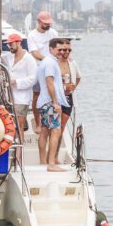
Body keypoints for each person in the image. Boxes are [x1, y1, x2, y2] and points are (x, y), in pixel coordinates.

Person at [36, 38, 69, 171]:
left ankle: (43, 161)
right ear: (51, 49)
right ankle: (51, 164)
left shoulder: (48, 61)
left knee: (44, 131)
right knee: (55, 131)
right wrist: (55, 103)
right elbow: (49, 82)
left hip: (44, 102)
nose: (61, 52)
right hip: (49, 102)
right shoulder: (50, 63)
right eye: (59, 49)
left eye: (63, 49)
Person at [1, 33, 37, 141]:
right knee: (9, 127)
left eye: (11, 44)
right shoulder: (8, 57)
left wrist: (15, 82)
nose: (9, 47)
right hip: (9, 98)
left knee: (18, 127)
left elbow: (33, 79)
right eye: (8, 45)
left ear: (18, 43)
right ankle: (12, 150)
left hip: (22, 99)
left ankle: (19, 154)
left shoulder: (29, 59)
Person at [28, 11, 58, 132]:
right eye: (45, 23)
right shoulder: (32, 35)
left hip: (52, 68)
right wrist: (47, 60)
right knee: (36, 95)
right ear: (39, 22)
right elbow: (34, 53)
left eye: (49, 23)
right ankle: (38, 123)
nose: (48, 25)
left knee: (52, 94)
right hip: (38, 67)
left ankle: (51, 120)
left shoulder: (53, 33)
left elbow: (58, 48)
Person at [55, 39, 81, 158]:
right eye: (64, 50)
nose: (67, 52)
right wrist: (63, 87)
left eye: (69, 50)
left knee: (61, 127)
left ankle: (55, 155)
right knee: (54, 128)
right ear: (59, 50)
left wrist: (72, 88)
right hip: (56, 98)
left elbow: (78, 77)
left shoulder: (72, 63)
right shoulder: (54, 63)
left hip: (68, 98)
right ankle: (51, 156)